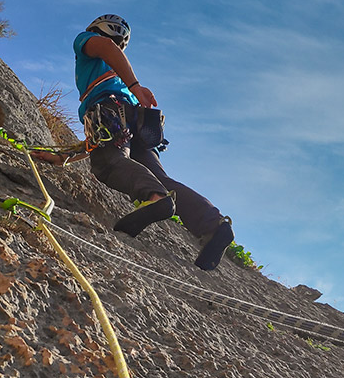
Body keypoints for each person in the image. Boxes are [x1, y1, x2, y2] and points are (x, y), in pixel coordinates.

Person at [39, 14, 235, 271]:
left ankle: (154, 198)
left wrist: (135, 85)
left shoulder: (87, 42)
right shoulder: (116, 75)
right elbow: (103, 138)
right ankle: (213, 225)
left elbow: (108, 146)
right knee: (159, 178)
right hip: (137, 121)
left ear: (97, 29)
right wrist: (65, 156)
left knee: (109, 164)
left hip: (109, 109)